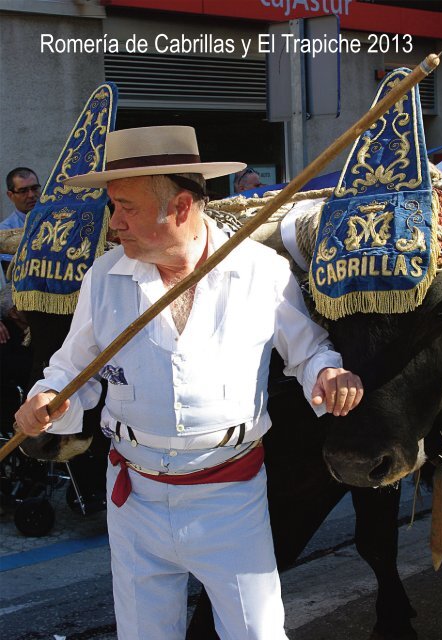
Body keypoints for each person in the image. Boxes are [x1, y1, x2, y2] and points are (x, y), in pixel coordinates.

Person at [15, 125, 364, 640]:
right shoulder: (105, 278)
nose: (114, 225)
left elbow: (308, 349)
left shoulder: (259, 270)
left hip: (231, 493)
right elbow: (71, 369)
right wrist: (44, 398)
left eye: (126, 208)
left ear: (180, 207)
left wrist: (328, 373)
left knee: (257, 633)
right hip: (134, 496)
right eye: (113, 207)